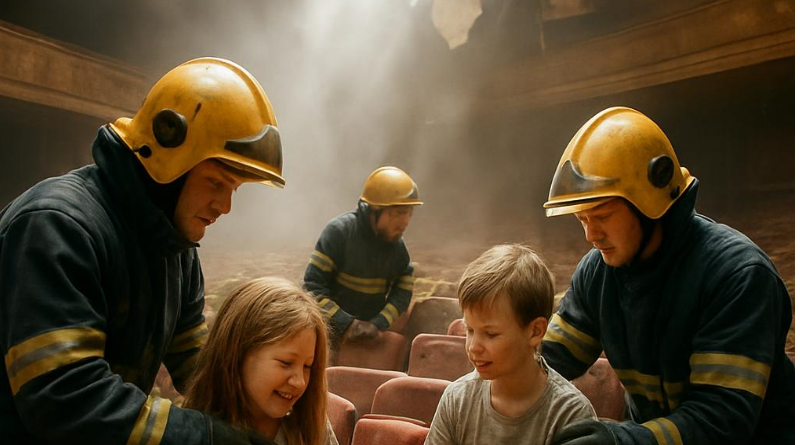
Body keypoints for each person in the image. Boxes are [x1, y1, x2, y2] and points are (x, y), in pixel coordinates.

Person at [0, 57, 285, 444]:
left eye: (233, 189)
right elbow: (65, 400)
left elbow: (195, 362)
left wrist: (272, 393)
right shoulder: (56, 226)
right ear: (169, 155)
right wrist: (210, 438)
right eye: (216, 182)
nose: (225, 206)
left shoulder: (175, 248)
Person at [541, 107, 794, 445]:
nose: (591, 235)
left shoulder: (738, 276)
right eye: (582, 219)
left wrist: (621, 442)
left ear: (650, 201)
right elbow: (548, 361)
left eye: (602, 215)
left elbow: (720, 421)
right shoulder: (598, 272)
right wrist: (488, 378)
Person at [425, 244, 596, 445]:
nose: (473, 347)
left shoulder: (570, 414)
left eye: (490, 334)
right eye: (470, 330)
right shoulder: (457, 399)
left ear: (535, 331)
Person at [184, 277, 338, 445]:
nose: (300, 382)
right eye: (286, 363)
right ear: (237, 354)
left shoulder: (310, 426)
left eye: (308, 366)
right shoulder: (199, 433)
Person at [303, 166, 421, 344]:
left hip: (371, 335)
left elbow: (403, 292)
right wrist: (346, 323)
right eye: (398, 214)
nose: (404, 222)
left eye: (409, 214)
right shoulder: (339, 233)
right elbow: (312, 287)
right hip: (328, 331)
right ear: (373, 211)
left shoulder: (398, 249)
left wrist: (378, 323)